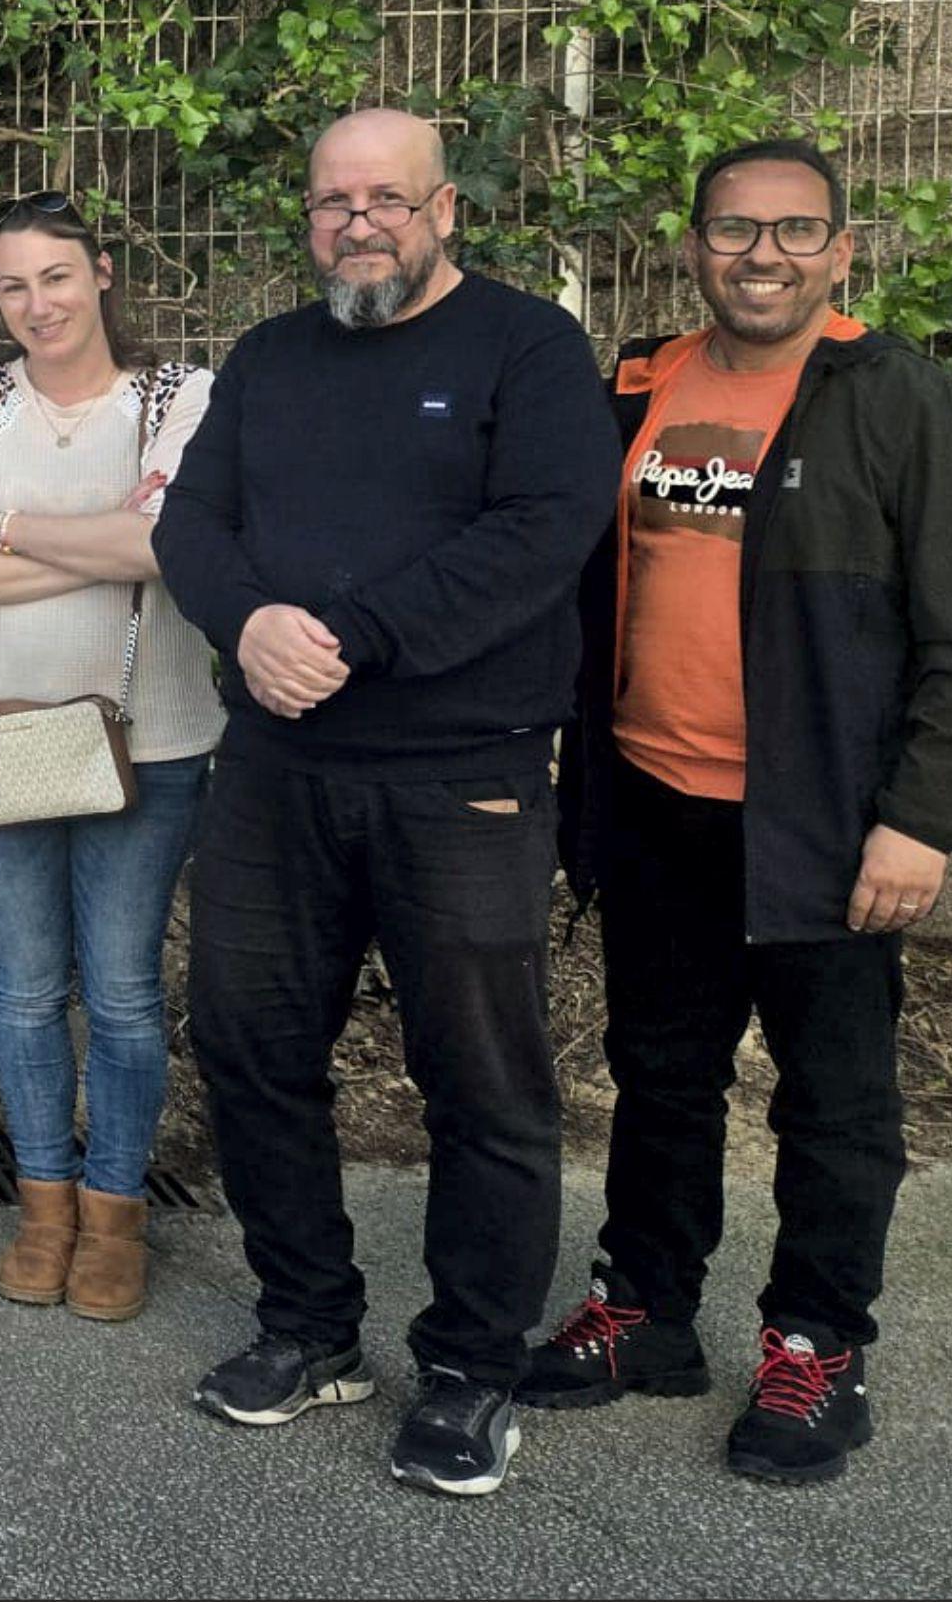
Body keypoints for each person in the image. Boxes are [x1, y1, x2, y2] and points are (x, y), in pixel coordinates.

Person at [155, 107, 618, 1499]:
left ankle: (471, 1364)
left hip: (459, 776)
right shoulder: (266, 357)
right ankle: (307, 1325)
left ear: (443, 209)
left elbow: (541, 529)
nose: (356, 222)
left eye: (385, 199)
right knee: (247, 1046)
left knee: (479, 1081)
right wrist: (248, 624)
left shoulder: (526, 347)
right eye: (331, 201)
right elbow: (190, 524)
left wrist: (349, 637)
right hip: (275, 771)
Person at [518, 140, 952, 1484]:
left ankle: (815, 1343)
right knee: (660, 1072)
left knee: (834, 1100)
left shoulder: (895, 397)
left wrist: (921, 819)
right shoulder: (638, 385)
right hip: (652, 799)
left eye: (792, 230)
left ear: (839, 249)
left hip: (824, 823)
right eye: (733, 229)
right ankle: (645, 1308)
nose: (760, 254)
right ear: (692, 246)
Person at [0, 192, 222, 1322]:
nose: (37, 303)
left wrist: (2, 527)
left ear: (102, 273)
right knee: (25, 989)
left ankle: (115, 1211)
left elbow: (171, 542)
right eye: (12, 286)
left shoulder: (179, 398)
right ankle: (43, 1206)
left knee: (122, 992)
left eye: (56, 276)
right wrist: (102, 546)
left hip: (151, 738)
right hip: (2, 730)